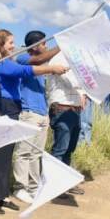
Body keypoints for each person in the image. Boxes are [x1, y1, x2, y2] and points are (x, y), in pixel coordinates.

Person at [0, 30, 66, 214]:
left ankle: (2, 195)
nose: (13, 46)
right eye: (10, 43)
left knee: (7, 153)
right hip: (3, 105)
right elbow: (25, 70)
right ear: (0, 44)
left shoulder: (10, 60)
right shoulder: (0, 63)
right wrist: (51, 68)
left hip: (13, 106)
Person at [12, 31, 62, 203]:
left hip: (42, 113)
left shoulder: (43, 64)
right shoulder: (23, 59)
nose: (46, 46)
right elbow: (39, 60)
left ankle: (33, 188)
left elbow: (45, 61)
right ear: (34, 46)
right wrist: (62, 44)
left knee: (36, 153)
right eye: (43, 43)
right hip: (29, 113)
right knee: (24, 152)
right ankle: (20, 187)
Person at [46, 56, 87, 194]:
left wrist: (84, 92)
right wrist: (87, 82)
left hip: (74, 109)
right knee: (60, 149)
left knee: (69, 149)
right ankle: (54, 185)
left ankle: (65, 183)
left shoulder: (76, 61)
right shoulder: (58, 60)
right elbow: (72, 82)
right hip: (62, 108)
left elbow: (80, 87)